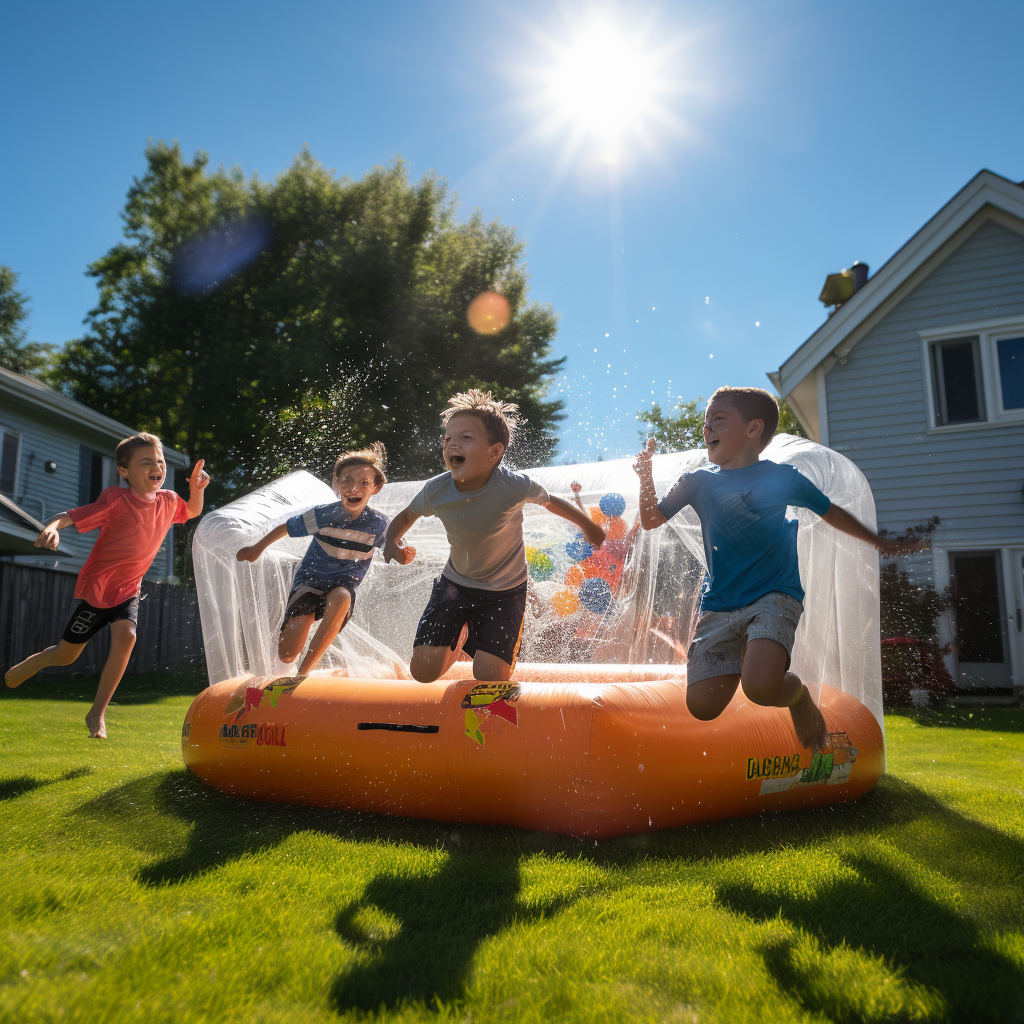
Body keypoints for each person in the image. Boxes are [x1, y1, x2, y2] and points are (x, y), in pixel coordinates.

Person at [634, 386, 921, 751]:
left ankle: (797, 696)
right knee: (702, 707)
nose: (707, 430)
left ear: (754, 429)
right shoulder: (697, 482)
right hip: (720, 602)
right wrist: (645, 476)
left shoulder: (781, 479)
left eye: (718, 420)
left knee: (761, 688)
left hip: (774, 594)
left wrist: (877, 541)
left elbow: (830, 511)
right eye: (705, 424)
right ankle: (747, 651)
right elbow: (650, 519)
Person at [384, 389, 606, 683]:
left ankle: (487, 651)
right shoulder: (437, 490)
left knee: (489, 677)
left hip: (505, 591)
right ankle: (460, 634)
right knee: (422, 672)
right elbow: (406, 516)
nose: (452, 443)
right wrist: (391, 541)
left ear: (494, 452)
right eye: (448, 438)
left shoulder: (512, 486)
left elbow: (550, 500)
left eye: (465, 437)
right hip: (456, 585)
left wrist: (587, 525)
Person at [4, 433, 209, 738]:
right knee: (65, 655)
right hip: (98, 591)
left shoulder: (167, 501)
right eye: (146, 462)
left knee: (127, 636)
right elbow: (69, 516)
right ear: (124, 472)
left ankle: (97, 713)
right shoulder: (116, 500)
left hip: (129, 589)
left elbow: (192, 511)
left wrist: (196, 489)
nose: (157, 466)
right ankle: (38, 661)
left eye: (160, 461)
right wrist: (51, 528)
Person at [237, 443, 410, 675]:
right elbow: (286, 528)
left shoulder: (378, 524)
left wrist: (404, 554)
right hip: (310, 584)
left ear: (375, 488)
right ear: (337, 485)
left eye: (364, 483)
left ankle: (303, 673)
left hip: (341, 588)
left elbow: (397, 548)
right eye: (346, 480)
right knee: (287, 653)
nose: (354, 488)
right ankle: (295, 640)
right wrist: (257, 548)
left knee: (340, 596)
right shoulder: (324, 515)